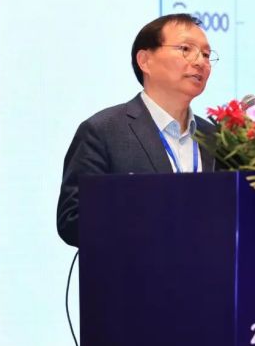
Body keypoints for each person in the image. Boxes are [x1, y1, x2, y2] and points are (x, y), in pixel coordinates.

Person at [57, 14, 218, 247]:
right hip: (134, 268)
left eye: (206, 54)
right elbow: (72, 221)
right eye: (186, 49)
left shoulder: (215, 138)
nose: (200, 62)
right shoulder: (103, 131)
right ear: (145, 61)